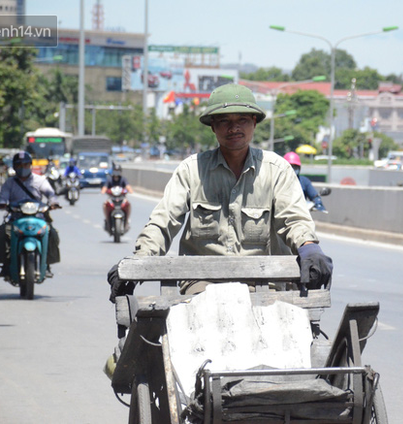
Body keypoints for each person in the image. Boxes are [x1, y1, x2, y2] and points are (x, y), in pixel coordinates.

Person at [107, 83, 332, 301]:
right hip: (203, 284)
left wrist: (309, 247)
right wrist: (139, 261)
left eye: (242, 120)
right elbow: (163, 221)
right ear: (213, 126)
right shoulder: (191, 170)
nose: (233, 128)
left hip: (266, 282)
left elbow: (294, 220)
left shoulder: (277, 170)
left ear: (254, 123)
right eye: (224, 121)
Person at [0, 151, 61, 278]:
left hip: (38, 217)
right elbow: (2, 197)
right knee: (2, 232)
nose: (23, 168)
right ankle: (6, 265)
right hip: (16, 218)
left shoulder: (40, 180)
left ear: (30, 165)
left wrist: (53, 203)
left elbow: (51, 195)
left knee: (52, 233)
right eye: (19, 165)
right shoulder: (9, 182)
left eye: (25, 164)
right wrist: (2, 203)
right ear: (14, 166)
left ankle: (46, 265)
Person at [101, 163, 133, 232]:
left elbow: (129, 188)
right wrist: (104, 191)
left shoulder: (123, 179)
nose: (116, 172)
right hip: (112, 198)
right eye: (115, 170)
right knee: (104, 204)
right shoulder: (110, 179)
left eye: (118, 170)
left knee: (128, 204)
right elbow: (104, 188)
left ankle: (127, 221)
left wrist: (128, 190)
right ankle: (107, 219)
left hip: (121, 198)